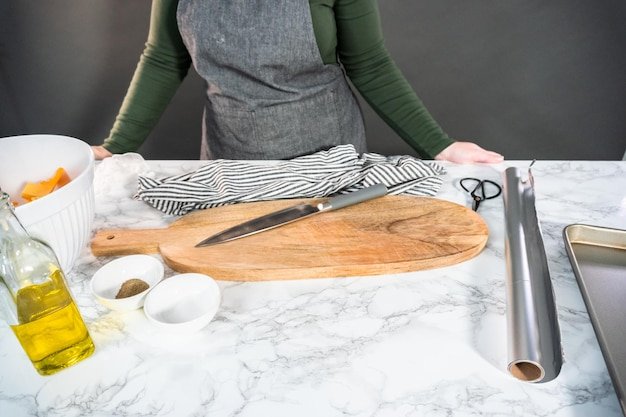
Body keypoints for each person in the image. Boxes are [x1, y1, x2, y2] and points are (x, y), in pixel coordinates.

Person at [92, 0, 503, 164]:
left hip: (327, 159)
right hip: (230, 162)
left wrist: (440, 146)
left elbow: (370, 64)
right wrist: (117, 147)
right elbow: (164, 59)